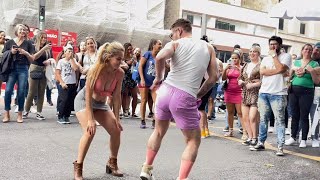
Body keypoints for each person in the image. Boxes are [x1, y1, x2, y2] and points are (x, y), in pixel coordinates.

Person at [139, 18, 218, 180]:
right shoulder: (208, 48)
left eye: (172, 33)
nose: (171, 37)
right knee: (193, 140)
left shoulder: (176, 44)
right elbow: (213, 78)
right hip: (185, 94)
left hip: (165, 91)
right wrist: (198, 94)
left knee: (158, 131)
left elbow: (159, 57)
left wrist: (158, 78)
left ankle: (146, 168)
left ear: (179, 31)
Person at [73, 42, 125, 179]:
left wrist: (117, 119)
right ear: (108, 57)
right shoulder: (95, 70)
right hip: (84, 101)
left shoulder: (120, 73)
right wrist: (90, 119)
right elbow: (88, 97)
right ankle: (78, 166)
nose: (121, 62)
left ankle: (112, 163)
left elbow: (116, 97)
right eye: (118, 59)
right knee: (90, 131)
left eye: (122, 59)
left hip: (101, 104)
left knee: (116, 130)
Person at [250, 36, 292, 156]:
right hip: (264, 92)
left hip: (279, 93)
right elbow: (262, 72)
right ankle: (261, 142)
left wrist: (274, 58)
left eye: (275, 44)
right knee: (263, 119)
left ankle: (280, 146)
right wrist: (278, 70)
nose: (272, 46)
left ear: (280, 45)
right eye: (271, 44)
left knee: (280, 121)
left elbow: (280, 68)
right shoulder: (265, 59)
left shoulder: (286, 56)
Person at [285, 44, 319, 148]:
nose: (307, 51)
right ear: (302, 50)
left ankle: (303, 139)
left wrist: (311, 71)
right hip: (293, 91)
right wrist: (293, 70)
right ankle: (293, 137)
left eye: (310, 49)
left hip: (307, 91)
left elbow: (316, 81)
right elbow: (289, 77)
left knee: (304, 116)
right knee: (295, 115)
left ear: (312, 51)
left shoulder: (314, 64)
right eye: (305, 49)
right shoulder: (296, 62)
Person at [2, 24, 35, 123]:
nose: (23, 31)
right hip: (11, 68)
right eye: (21, 29)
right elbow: (3, 54)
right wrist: (11, 52)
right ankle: (7, 113)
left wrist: (25, 53)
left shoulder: (28, 43)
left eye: (24, 30)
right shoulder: (9, 42)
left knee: (21, 91)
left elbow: (32, 58)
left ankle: (20, 113)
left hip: (23, 68)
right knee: (8, 91)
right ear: (16, 31)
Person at [23, 31, 52, 120]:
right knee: (32, 91)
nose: (44, 39)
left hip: (44, 70)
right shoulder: (33, 46)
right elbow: (34, 57)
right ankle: (26, 110)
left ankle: (39, 112)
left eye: (45, 38)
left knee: (41, 92)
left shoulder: (48, 48)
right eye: (42, 37)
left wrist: (49, 61)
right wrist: (43, 49)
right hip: (34, 68)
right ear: (38, 38)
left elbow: (52, 58)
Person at [238, 46, 261, 147]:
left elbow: (264, 81)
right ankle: (250, 137)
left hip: (256, 93)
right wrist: (241, 82)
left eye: (254, 52)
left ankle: (255, 138)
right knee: (245, 117)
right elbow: (240, 78)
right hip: (245, 92)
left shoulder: (261, 65)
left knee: (252, 117)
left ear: (258, 53)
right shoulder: (246, 65)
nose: (252, 53)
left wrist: (254, 84)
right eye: (250, 51)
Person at [138, 39, 162, 128]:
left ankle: (154, 121)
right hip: (145, 81)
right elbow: (140, 65)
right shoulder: (147, 54)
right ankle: (142, 120)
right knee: (144, 100)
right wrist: (142, 79)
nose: (161, 46)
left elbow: (165, 67)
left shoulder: (160, 56)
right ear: (153, 45)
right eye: (159, 44)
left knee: (157, 102)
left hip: (155, 83)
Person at [55, 44, 79, 124]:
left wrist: (72, 59)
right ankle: (60, 116)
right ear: (64, 53)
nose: (70, 52)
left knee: (69, 100)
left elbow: (75, 68)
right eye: (68, 51)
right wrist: (61, 82)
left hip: (72, 83)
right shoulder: (61, 61)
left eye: (71, 50)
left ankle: (66, 116)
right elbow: (57, 73)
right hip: (65, 83)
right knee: (64, 100)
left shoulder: (74, 60)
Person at [222, 51, 243, 137]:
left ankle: (245, 131)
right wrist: (225, 69)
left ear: (239, 59)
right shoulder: (229, 68)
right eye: (232, 58)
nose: (234, 60)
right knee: (230, 112)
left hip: (239, 92)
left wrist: (240, 70)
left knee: (240, 112)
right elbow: (223, 78)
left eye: (236, 58)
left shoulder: (242, 67)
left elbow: (244, 78)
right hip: (229, 91)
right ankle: (230, 130)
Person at [308, 42, 320, 148]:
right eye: (316, 49)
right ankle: (296, 135)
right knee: (299, 113)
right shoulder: (305, 58)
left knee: (315, 114)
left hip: (317, 90)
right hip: (304, 89)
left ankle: (315, 137)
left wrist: (312, 70)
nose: (317, 52)